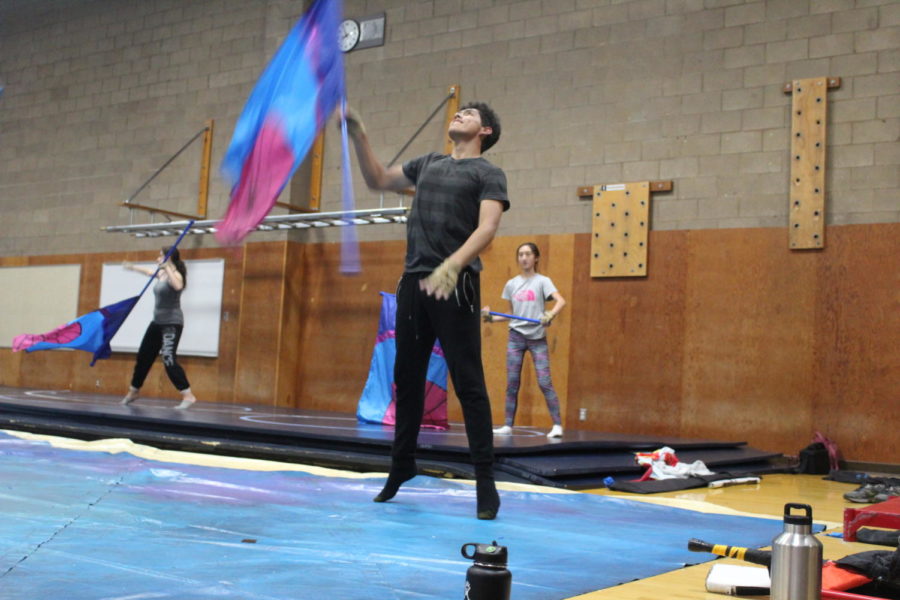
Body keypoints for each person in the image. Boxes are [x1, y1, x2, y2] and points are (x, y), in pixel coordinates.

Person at [345, 101, 508, 520]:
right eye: (459, 111)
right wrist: (358, 134)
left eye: (469, 113)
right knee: (407, 380)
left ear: (485, 131)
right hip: (415, 285)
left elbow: (487, 226)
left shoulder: (487, 173)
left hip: (457, 286)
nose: (459, 115)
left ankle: (486, 483)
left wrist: (453, 265)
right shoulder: (428, 163)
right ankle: (401, 465)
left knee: (469, 384)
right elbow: (378, 179)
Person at [482, 242, 566, 438]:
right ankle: (507, 425)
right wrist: (490, 318)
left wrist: (550, 314)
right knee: (512, 383)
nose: (524, 258)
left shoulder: (543, 281)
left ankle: (557, 425)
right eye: (520, 255)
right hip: (516, 337)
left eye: (528, 254)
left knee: (545, 382)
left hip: (537, 338)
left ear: (536, 258)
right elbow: (511, 313)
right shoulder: (511, 284)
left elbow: (561, 300)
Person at [121, 247, 197, 410]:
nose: (157, 258)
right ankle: (134, 391)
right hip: (157, 322)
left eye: (160, 256)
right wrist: (133, 267)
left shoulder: (174, 274)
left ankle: (188, 395)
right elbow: (149, 272)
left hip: (172, 323)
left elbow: (177, 286)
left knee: (168, 358)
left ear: (168, 257)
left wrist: (167, 267)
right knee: (143, 357)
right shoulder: (162, 273)